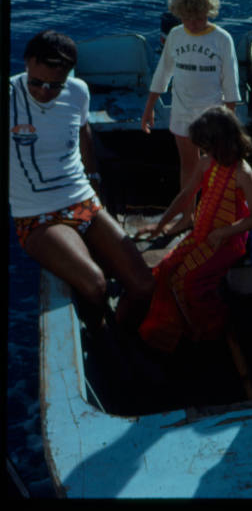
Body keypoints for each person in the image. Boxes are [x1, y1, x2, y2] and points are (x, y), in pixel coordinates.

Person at [9, 30, 154, 334]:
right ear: (26, 64)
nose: (45, 92)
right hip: (38, 218)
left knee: (143, 286)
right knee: (94, 283)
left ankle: (123, 336)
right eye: (37, 82)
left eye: (55, 86)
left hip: (83, 202)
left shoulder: (78, 92)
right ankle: (103, 340)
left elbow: (84, 133)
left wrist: (94, 179)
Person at [137, 106, 252, 352]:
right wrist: (162, 224)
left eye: (207, 146)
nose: (204, 152)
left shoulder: (243, 173)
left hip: (226, 242)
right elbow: (187, 195)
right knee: (165, 269)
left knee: (188, 281)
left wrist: (223, 233)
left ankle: (210, 328)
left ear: (222, 143)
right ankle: (176, 327)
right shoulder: (207, 163)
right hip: (202, 234)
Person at [141, 0, 240, 230]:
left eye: (199, 17)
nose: (194, 24)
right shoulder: (175, 35)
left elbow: (231, 82)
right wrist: (150, 107)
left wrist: (230, 121)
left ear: (209, 11)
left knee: (215, 167)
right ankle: (188, 217)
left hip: (213, 116)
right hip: (182, 112)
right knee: (188, 166)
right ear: (178, 14)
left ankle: (211, 214)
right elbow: (163, 72)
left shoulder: (222, 39)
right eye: (187, 18)